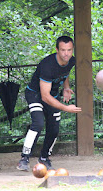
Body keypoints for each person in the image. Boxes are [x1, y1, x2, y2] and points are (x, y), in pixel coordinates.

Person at [17, 36, 82, 171]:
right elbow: (45, 96)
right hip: (36, 95)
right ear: (57, 50)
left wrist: (66, 87)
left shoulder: (71, 61)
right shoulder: (47, 65)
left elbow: (65, 72)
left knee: (54, 128)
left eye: (69, 50)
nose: (66, 53)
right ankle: (24, 158)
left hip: (51, 95)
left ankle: (44, 158)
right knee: (38, 123)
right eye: (63, 50)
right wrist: (66, 108)